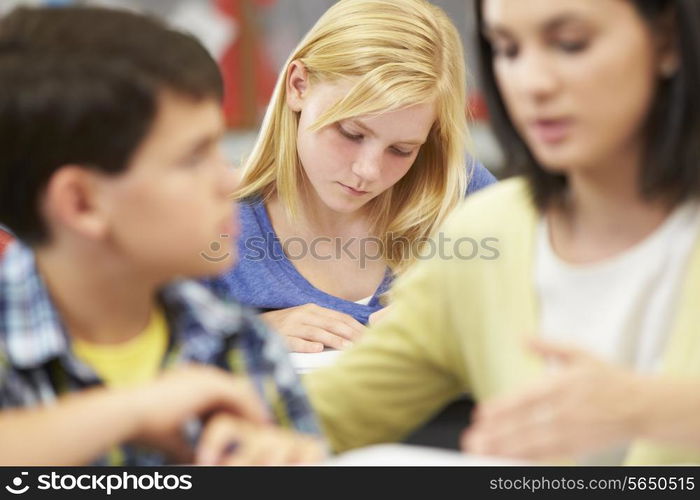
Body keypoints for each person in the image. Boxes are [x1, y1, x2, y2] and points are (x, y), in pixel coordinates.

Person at [305, 0, 700, 465]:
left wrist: (654, 410)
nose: (531, 82)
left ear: (668, 42)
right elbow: (322, 412)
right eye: (508, 49)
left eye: (570, 44)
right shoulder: (487, 234)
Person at [0, 6, 322, 466]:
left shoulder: (237, 339)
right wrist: (130, 412)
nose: (229, 182)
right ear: (82, 204)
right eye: (193, 158)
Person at [204, 0, 496, 353]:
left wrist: (466, 321)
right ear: (298, 86)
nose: (368, 171)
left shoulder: (457, 188)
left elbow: (555, 310)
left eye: (402, 150)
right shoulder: (213, 217)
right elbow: (143, 358)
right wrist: (245, 335)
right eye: (350, 134)